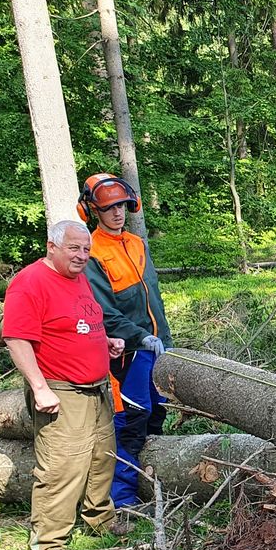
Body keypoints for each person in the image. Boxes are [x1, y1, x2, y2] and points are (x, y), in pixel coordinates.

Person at [3, 220, 127, 550]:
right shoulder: (29, 283)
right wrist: (40, 389)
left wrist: (106, 342)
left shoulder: (79, 278)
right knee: (62, 468)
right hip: (62, 390)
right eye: (74, 248)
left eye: (86, 249)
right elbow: (16, 339)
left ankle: (100, 520)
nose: (82, 255)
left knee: (103, 458)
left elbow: (78, 324)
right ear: (52, 246)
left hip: (97, 389)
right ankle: (48, 549)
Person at [78, 173, 172, 510]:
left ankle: (158, 481)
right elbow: (103, 310)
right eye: (109, 208)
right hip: (129, 352)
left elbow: (153, 299)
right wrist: (139, 336)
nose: (118, 213)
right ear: (93, 211)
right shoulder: (93, 253)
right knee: (132, 419)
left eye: (121, 205)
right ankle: (123, 498)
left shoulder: (136, 243)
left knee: (159, 413)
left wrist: (162, 334)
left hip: (160, 344)